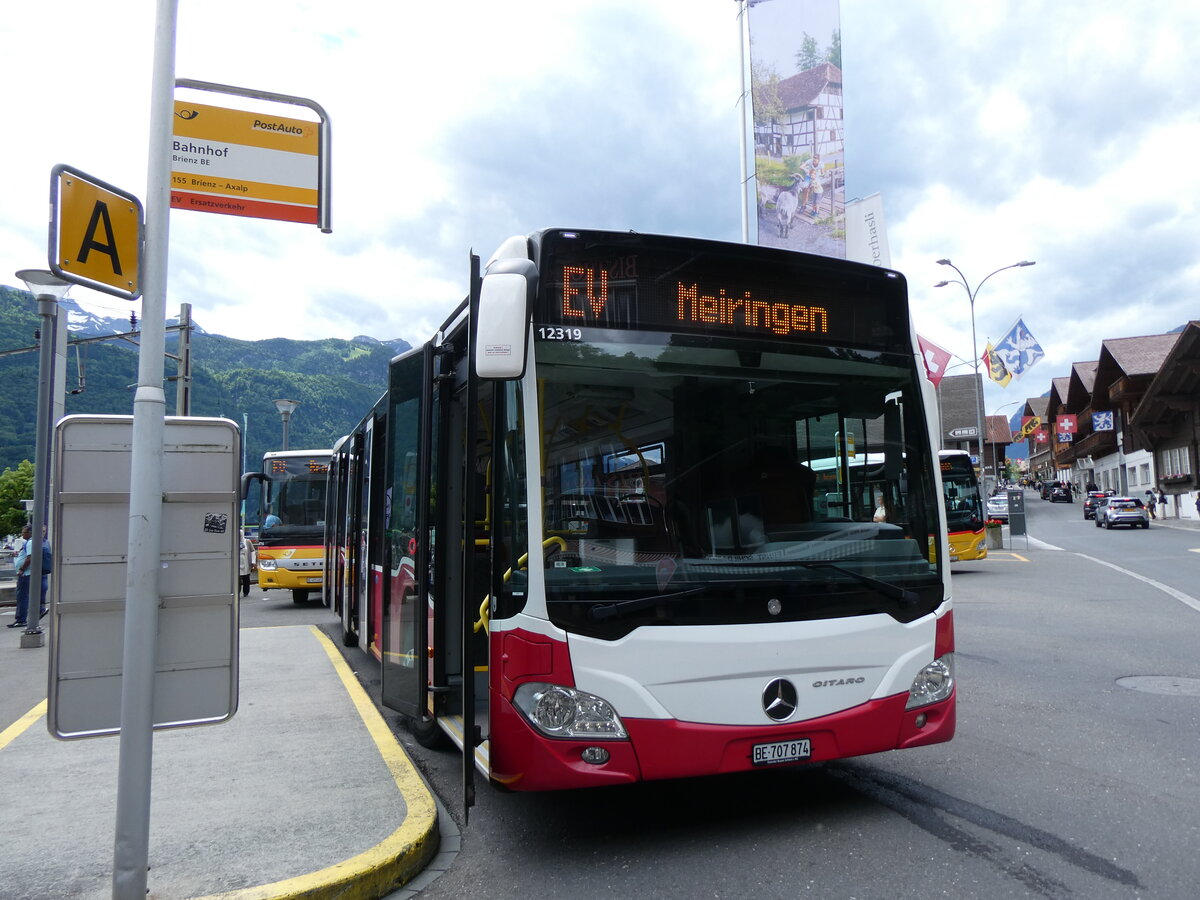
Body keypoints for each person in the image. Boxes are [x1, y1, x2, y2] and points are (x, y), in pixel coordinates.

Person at [9, 525, 49, 629]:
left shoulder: (31, 542)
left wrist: (22, 569)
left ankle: (21, 619)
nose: (22, 534)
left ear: (30, 533)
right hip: (31, 573)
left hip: (26, 574)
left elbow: (30, 557)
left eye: (24, 532)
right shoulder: (33, 542)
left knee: (22, 596)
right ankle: (38, 611)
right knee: (29, 595)